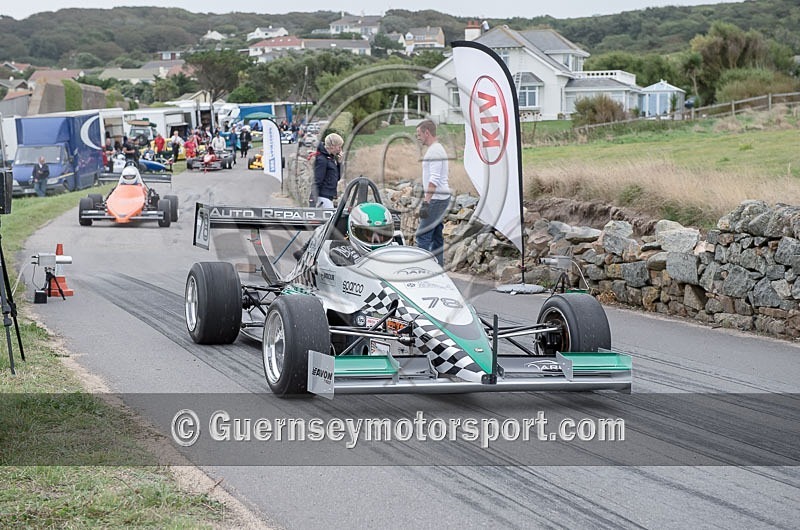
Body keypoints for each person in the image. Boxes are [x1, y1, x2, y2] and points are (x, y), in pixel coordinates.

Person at [414, 119, 451, 267]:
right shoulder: (437, 149)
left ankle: (422, 270)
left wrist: (426, 202)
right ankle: (438, 269)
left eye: (419, 134)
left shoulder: (435, 151)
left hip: (436, 199)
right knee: (436, 235)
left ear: (427, 133)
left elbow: (434, 179)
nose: (418, 137)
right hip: (441, 197)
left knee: (422, 235)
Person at [312, 133, 344, 208]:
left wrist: (339, 163)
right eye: (339, 147)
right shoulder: (322, 160)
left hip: (329, 196)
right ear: (333, 146)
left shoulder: (330, 158)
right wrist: (312, 201)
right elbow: (317, 180)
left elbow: (337, 178)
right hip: (323, 197)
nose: (340, 149)